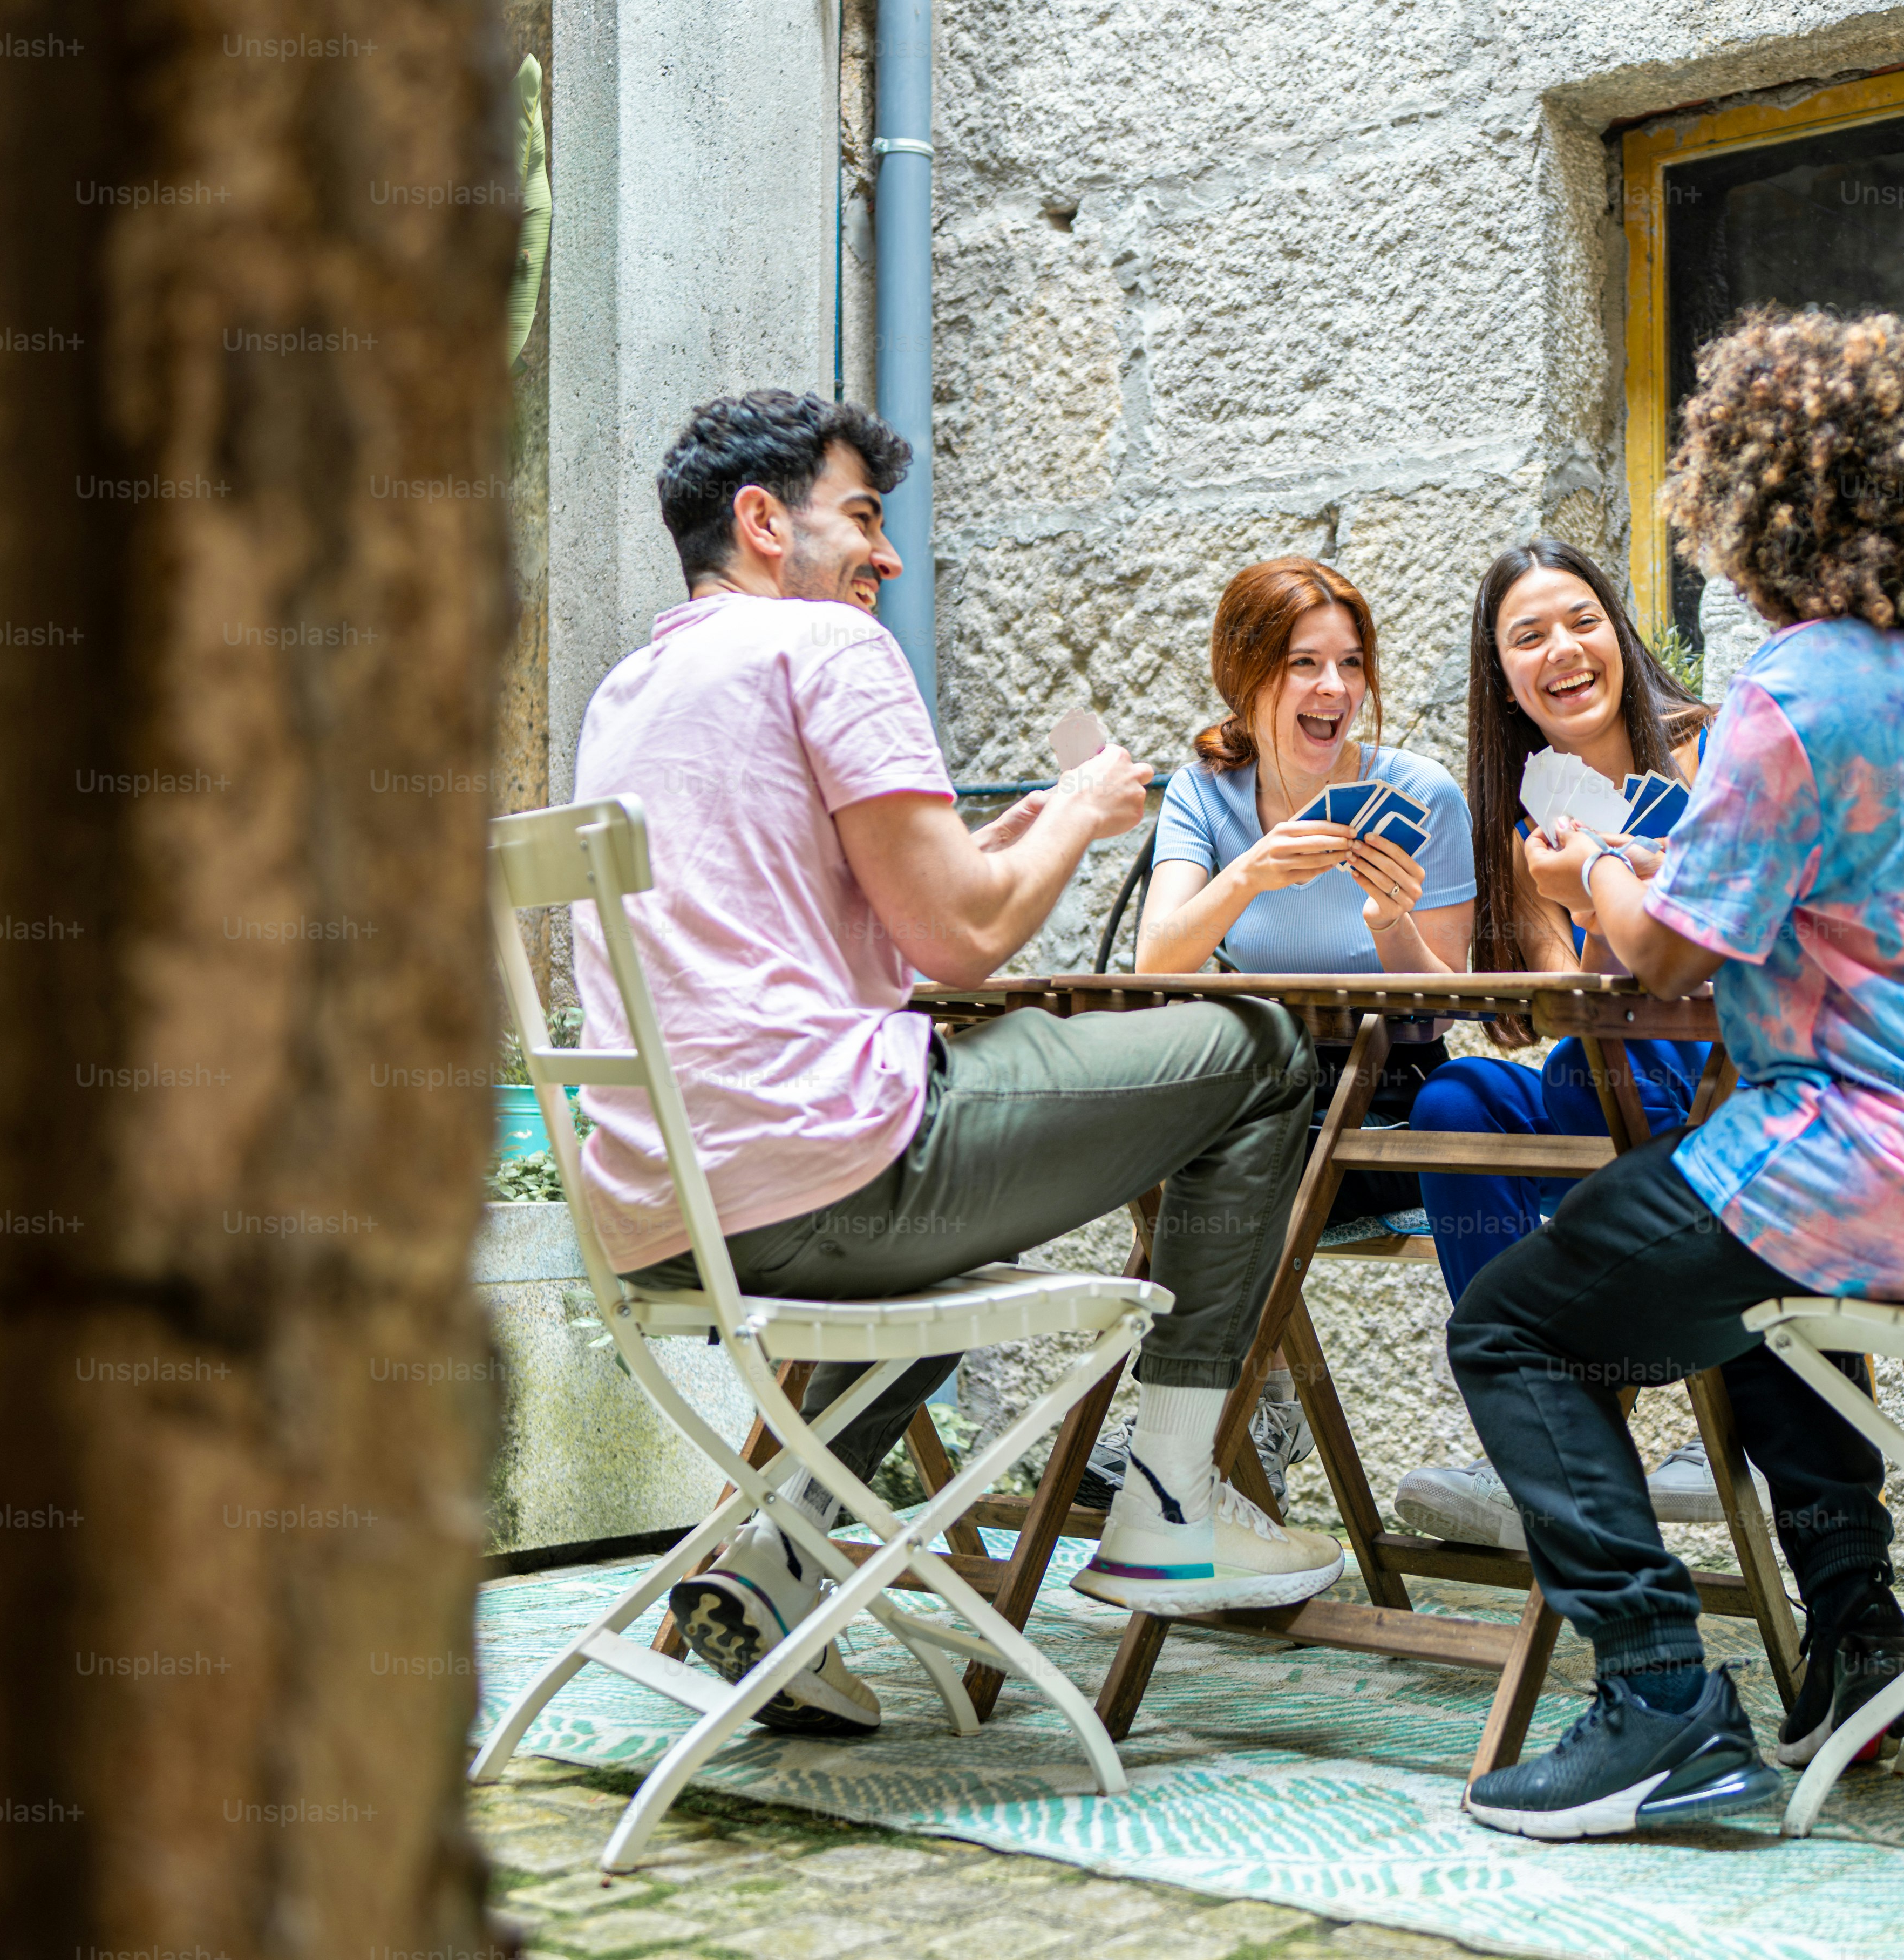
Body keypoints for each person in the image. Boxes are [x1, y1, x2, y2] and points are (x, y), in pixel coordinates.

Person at [1450, 313, 1904, 1838]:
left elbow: (1664, 960)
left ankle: (1657, 1698)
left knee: (1512, 1325)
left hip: (1895, 1168)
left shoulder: (1799, 687)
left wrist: (1590, 876)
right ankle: (1853, 1634)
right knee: (1740, 1269)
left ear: (1773, 503)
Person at [568, 391, 1346, 1741]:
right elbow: (969, 938)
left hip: (657, 1215)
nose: (889, 557)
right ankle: (1171, 1496)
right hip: (829, 1183)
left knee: (946, 1257)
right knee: (1267, 1047)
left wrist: (1029, 830)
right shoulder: (828, 645)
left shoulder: (629, 693)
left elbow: (874, 910)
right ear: (763, 524)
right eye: (863, 518)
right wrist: (1093, 816)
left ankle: (778, 1556)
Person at [1390, 539, 1731, 1548]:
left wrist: (1600, 884)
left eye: (1581, 621)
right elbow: (1561, 1006)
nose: (1563, 651)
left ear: (1618, 635)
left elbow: (1705, 956)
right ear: (1501, 679)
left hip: (1721, 1081)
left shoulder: (1709, 755)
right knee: (1448, 1105)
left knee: (1592, 1069)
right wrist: (1573, 898)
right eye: (1527, 637)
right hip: (1603, 1071)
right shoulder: (1520, 823)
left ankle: (1588, 1402)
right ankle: (1541, 1429)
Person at [1136, 556, 1479, 1238]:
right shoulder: (1201, 792)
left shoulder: (1424, 792)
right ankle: (1224, 1345)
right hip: (1259, 1085)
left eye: (1352, 664)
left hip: (1389, 1094)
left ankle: (1206, 1344)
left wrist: (1390, 924)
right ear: (1245, 672)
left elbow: (1442, 1015)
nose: (1337, 688)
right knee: (1166, 1149)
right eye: (1305, 663)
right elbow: (1156, 964)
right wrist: (1249, 875)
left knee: (1214, 1184)